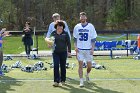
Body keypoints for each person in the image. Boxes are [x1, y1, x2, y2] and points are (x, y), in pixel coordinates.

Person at [73, 12, 97, 87]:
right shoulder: (77, 26)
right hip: (80, 49)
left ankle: (87, 74)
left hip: (88, 49)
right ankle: (81, 81)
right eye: (81, 17)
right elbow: (75, 39)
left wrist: (92, 49)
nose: (82, 18)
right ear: (80, 18)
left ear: (86, 17)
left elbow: (93, 39)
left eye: (83, 17)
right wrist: (75, 47)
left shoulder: (91, 26)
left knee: (89, 66)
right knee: (80, 65)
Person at [45, 20, 71, 87]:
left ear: (63, 27)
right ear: (56, 27)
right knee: (56, 65)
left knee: (63, 66)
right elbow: (50, 41)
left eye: (61, 27)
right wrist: (49, 44)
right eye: (58, 27)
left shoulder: (65, 33)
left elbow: (69, 43)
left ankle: (63, 80)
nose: (60, 28)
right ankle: (56, 81)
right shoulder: (53, 33)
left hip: (63, 52)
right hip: (55, 52)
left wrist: (69, 52)